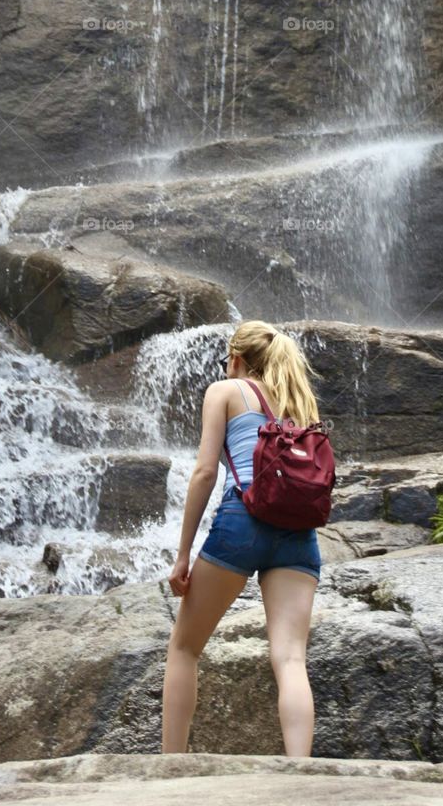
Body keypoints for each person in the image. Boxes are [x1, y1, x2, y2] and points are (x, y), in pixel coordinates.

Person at [161, 320, 323, 757]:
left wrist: (183, 555)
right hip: (298, 532)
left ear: (235, 358)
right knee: (290, 659)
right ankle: (300, 772)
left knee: (185, 646)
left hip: (242, 521)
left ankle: (168, 769)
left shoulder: (225, 391)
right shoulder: (301, 403)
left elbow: (205, 472)